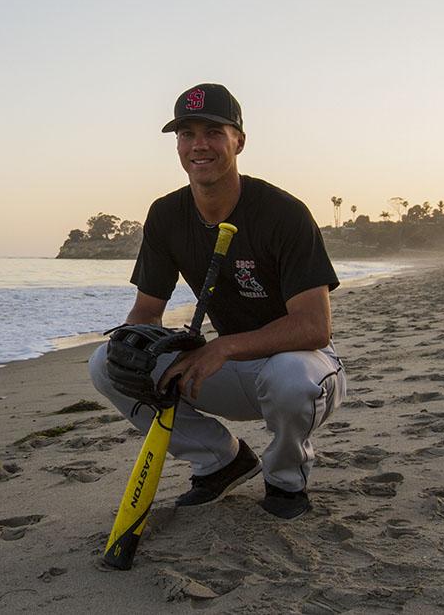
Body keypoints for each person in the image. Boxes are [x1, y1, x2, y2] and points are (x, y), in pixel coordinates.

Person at [89, 83, 346, 519]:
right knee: (106, 363)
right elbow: (147, 311)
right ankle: (221, 461)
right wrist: (135, 345)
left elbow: (314, 328)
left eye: (213, 131)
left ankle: (285, 479)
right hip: (226, 369)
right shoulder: (166, 215)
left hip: (303, 366)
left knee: (291, 376)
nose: (199, 145)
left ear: (238, 140)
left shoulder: (284, 213)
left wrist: (221, 346)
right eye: (186, 134)